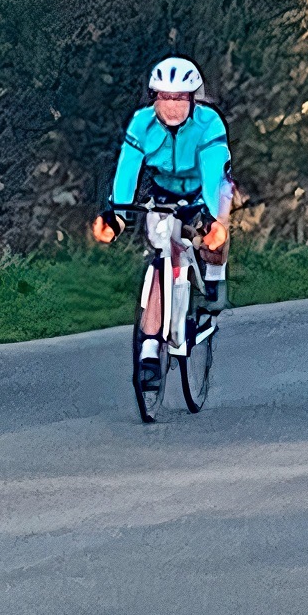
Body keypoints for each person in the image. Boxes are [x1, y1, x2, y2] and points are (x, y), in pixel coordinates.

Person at [90, 57, 233, 391]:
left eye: (180, 98)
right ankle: (151, 349)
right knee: (161, 258)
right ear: (153, 98)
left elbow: (215, 174)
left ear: (193, 100)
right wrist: (117, 216)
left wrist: (214, 220)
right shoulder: (140, 123)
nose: (171, 106)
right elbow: (127, 170)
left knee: (216, 229)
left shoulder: (209, 123)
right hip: (162, 191)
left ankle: (215, 278)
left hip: (201, 192)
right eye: (164, 97)